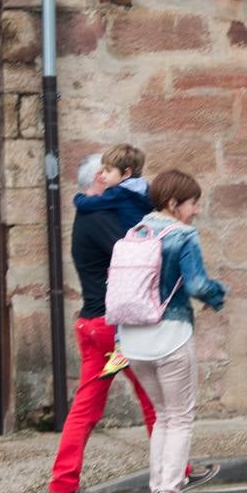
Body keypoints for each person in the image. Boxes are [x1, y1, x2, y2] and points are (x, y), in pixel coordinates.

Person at [46, 153, 158, 493]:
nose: (121, 182)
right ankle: (177, 471)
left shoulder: (87, 215)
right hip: (114, 330)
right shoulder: (100, 217)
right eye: (111, 174)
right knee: (156, 400)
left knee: (87, 407)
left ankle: (63, 483)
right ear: (100, 176)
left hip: (92, 325)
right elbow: (136, 254)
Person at [118, 170, 228, 493]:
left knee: (164, 416)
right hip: (170, 335)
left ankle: (162, 491)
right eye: (192, 203)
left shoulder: (134, 232)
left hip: (133, 339)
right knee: (180, 418)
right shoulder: (183, 235)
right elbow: (196, 284)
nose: (196, 210)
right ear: (172, 204)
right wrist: (219, 295)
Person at [72, 143, 153, 379]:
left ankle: (120, 349)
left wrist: (77, 198)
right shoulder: (140, 193)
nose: (105, 177)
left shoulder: (108, 202)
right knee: (151, 395)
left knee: (89, 400)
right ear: (98, 176)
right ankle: (120, 349)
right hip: (106, 320)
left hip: (91, 320)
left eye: (109, 171)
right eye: (104, 172)